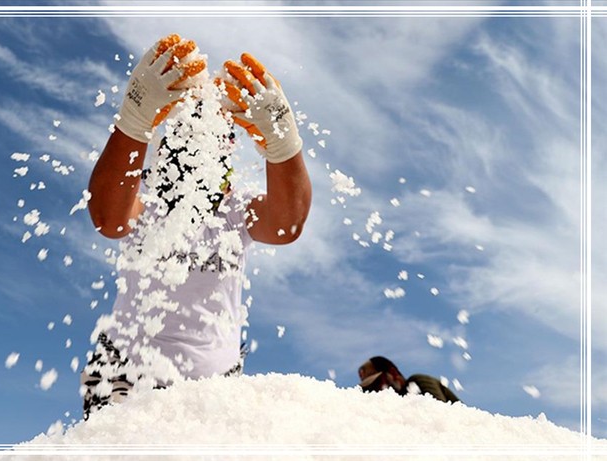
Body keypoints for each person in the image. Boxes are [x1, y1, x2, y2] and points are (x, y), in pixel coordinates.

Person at [82, 34, 312, 419]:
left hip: (215, 391)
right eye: (184, 132)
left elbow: (287, 226)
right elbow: (108, 219)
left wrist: (282, 140)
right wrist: (135, 118)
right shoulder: (147, 204)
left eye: (219, 138)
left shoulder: (236, 212)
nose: (201, 145)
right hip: (123, 383)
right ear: (166, 144)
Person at [357, 356, 461, 404]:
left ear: (393, 373)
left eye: (377, 385)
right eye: (369, 390)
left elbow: (439, 414)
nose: (375, 392)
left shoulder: (417, 382)